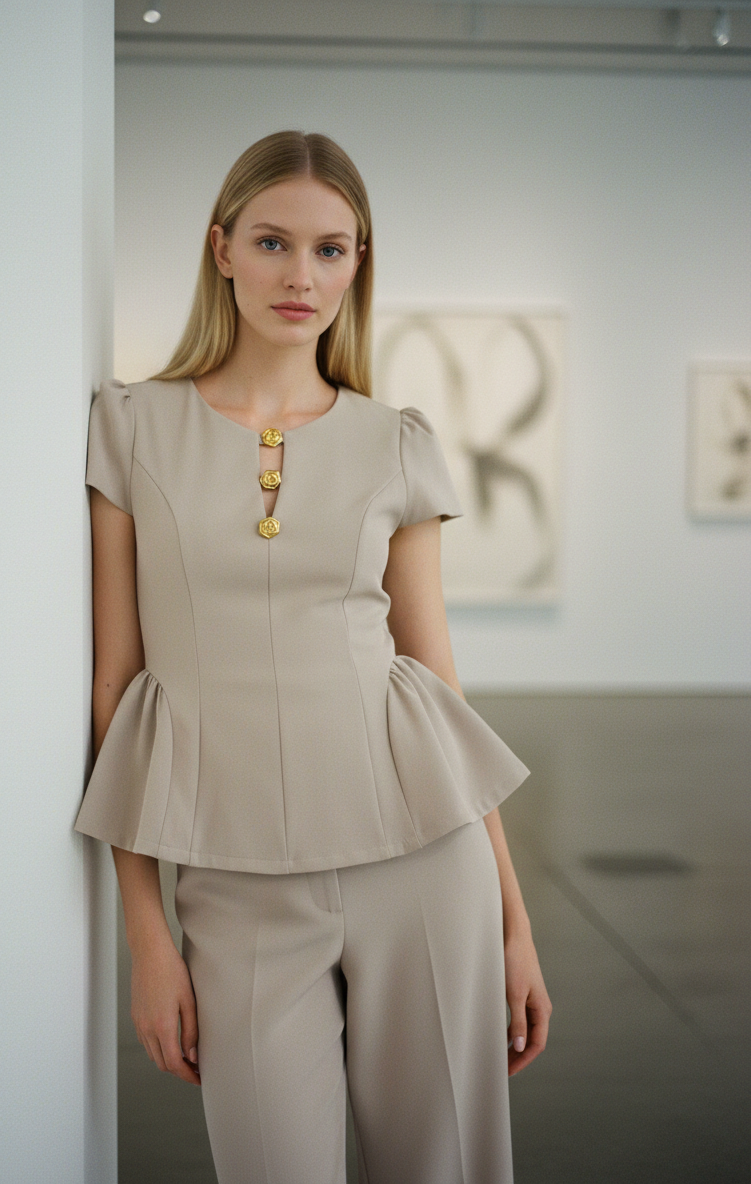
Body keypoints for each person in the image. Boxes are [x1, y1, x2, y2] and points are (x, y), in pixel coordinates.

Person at [75, 129, 551, 1184]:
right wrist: (146, 936)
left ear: (358, 264)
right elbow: (113, 689)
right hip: (235, 888)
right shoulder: (132, 428)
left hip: (425, 867)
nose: (303, 275)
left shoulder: (397, 440)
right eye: (275, 242)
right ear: (223, 249)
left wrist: (514, 922)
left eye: (333, 249)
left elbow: (435, 686)